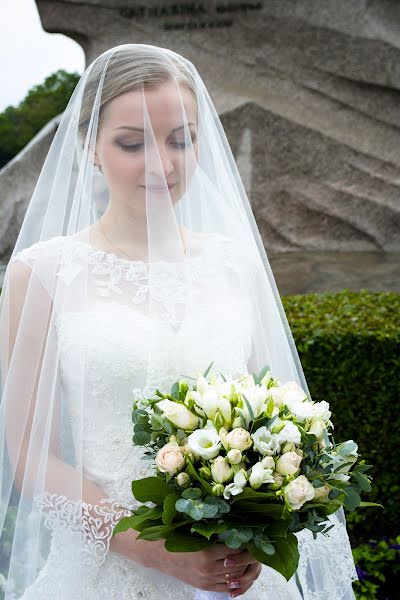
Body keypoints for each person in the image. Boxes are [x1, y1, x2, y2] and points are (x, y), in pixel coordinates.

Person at [0, 44, 357, 600]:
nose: (162, 165)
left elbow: (284, 423)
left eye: (180, 139)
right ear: (90, 145)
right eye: (130, 142)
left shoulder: (236, 264)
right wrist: (150, 549)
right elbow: (29, 454)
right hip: (106, 570)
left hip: (236, 573)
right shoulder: (41, 274)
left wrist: (261, 528)